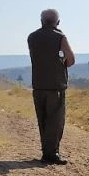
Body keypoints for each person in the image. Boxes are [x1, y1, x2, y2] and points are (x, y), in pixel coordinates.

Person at [27, 9, 76, 164]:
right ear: (58, 22)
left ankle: (45, 151)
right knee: (55, 121)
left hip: (38, 84)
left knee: (43, 120)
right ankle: (51, 154)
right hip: (55, 85)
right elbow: (71, 59)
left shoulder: (32, 37)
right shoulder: (59, 36)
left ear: (41, 21)